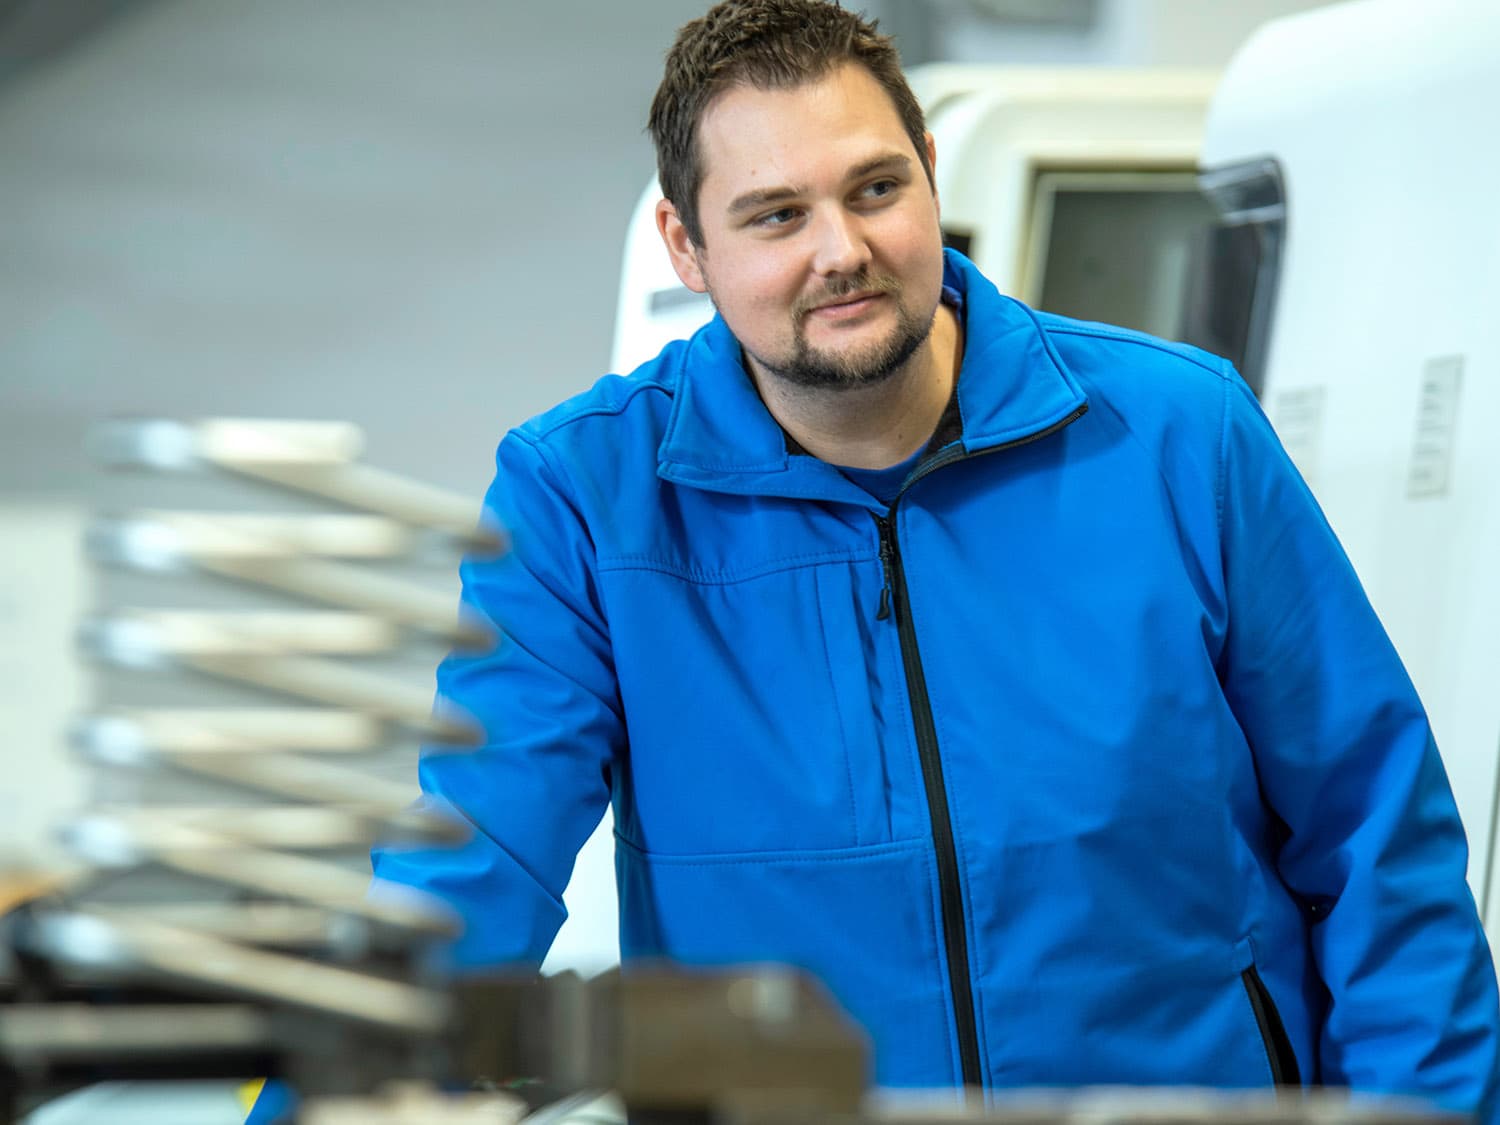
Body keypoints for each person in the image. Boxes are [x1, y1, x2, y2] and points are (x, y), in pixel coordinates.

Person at [369, 0, 1500, 1115]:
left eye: (875, 189)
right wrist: (346, 1079)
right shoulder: (586, 499)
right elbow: (477, 861)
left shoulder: (1177, 433)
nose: (842, 252)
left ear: (929, 173)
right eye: (775, 215)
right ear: (686, 246)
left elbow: (1375, 837)